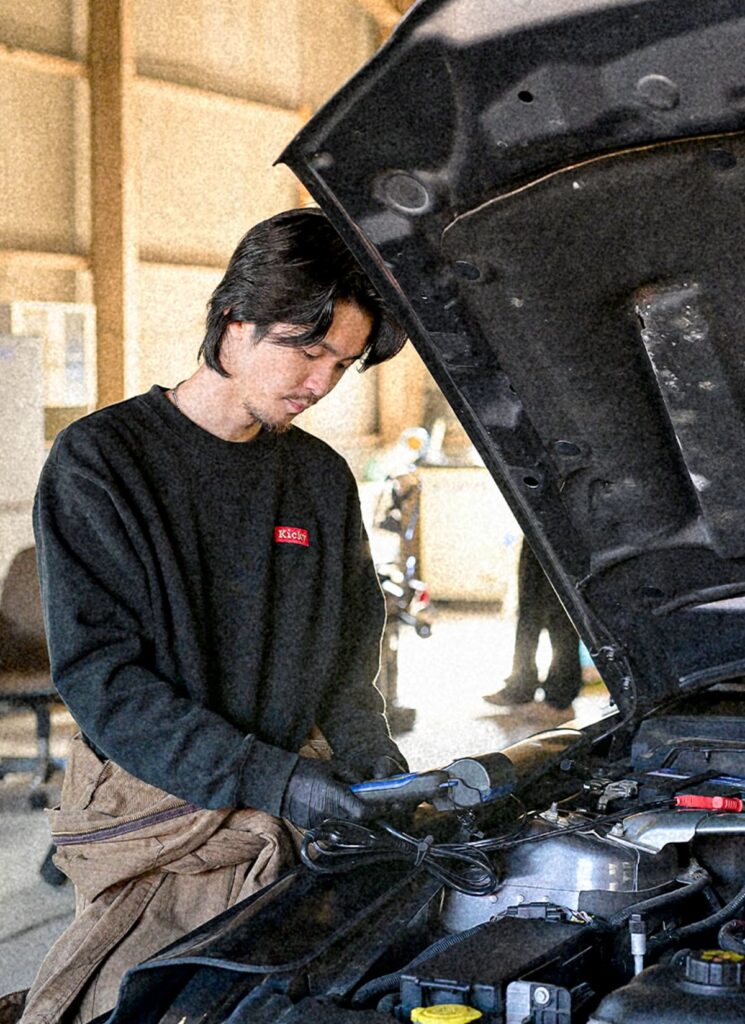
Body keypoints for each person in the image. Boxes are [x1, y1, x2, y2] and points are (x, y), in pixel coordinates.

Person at [21, 208, 409, 1024]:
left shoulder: (319, 479)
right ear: (234, 321)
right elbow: (106, 684)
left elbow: (347, 664)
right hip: (157, 807)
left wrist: (378, 768)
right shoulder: (102, 463)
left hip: (291, 792)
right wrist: (274, 781)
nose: (321, 383)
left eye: (342, 364)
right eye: (306, 350)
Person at [483, 539, 581, 720]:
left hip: (561, 533)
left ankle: (560, 699)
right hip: (537, 531)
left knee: (559, 611)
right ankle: (521, 687)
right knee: (529, 606)